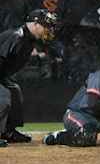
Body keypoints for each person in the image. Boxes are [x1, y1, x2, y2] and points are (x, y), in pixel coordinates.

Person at [0, 9, 60, 147]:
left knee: (14, 91)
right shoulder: (16, 36)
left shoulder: (27, 41)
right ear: (35, 24)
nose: (48, 30)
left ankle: (9, 132)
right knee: (3, 96)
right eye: (46, 26)